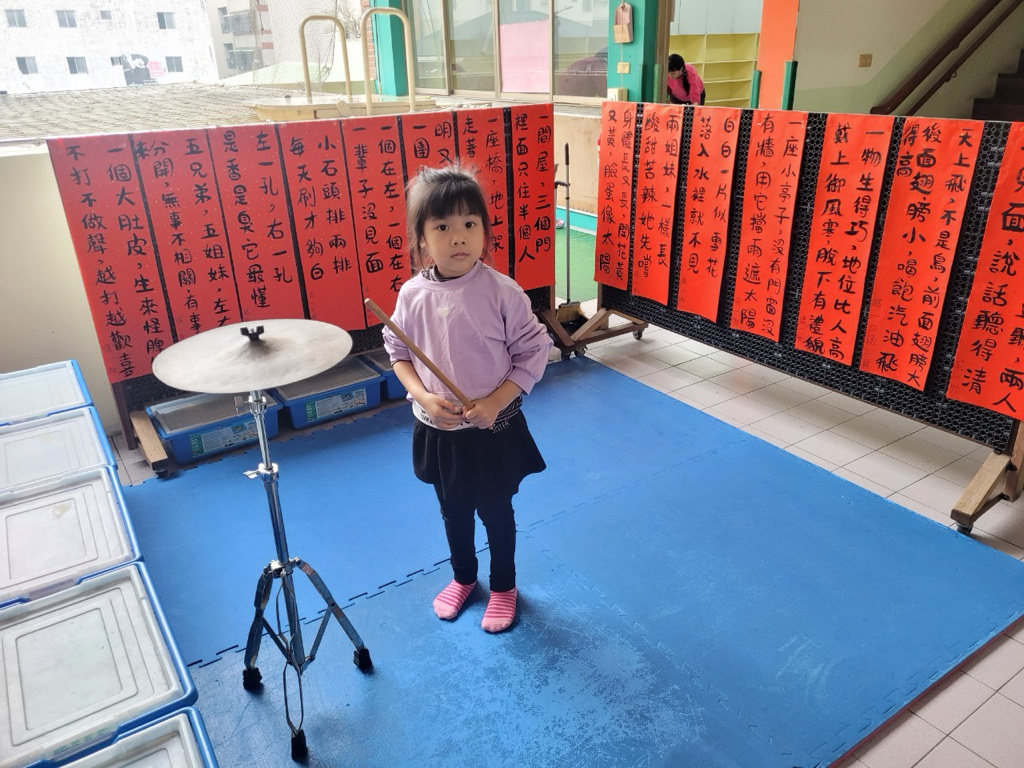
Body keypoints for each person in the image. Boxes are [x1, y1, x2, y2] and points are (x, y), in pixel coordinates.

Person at [382, 164, 553, 634]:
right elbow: (399, 354)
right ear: (421, 238)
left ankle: (504, 587)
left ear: (484, 232)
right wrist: (422, 396)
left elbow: (535, 353)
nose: (458, 237)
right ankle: (463, 577)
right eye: (442, 227)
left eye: (470, 224)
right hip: (439, 429)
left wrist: (496, 401)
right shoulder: (411, 295)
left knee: (496, 512)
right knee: (453, 511)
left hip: (493, 427)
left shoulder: (502, 292)